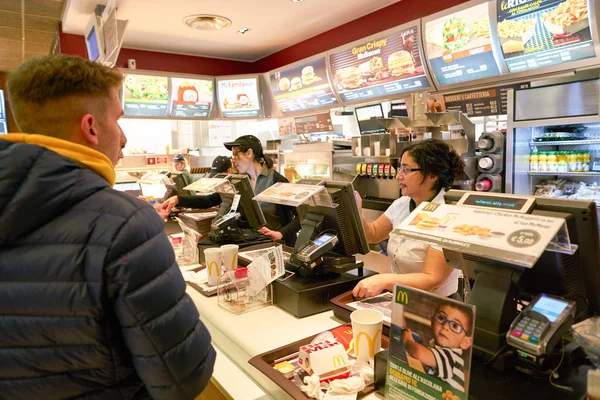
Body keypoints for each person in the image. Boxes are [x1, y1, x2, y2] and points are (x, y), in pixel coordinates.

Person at [0, 55, 215, 399]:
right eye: (118, 119)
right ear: (91, 128)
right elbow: (182, 377)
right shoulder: (125, 223)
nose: (124, 136)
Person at [352, 139, 464, 299]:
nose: (398, 176)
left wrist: (384, 280)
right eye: (399, 169)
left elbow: (432, 279)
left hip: (437, 305)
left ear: (432, 175)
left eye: (406, 170)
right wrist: (357, 213)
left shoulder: (448, 215)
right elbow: (374, 234)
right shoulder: (403, 203)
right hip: (403, 298)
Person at [224, 135, 300, 246]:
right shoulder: (242, 182)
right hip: (253, 244)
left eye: (236, 154)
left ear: (249, 153)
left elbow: (302, 216)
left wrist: (280, 233)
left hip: (278, 246)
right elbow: (211, 200)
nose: (233, 160)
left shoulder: (277, 180)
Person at [402, 303, 473, 392]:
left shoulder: (451, 357)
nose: (445, 326)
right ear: (432, 321)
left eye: (455, 326)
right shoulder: (435, 349)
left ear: (465, 342)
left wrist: (408, 341)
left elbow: (419, 353)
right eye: (441, 318)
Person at [158, 155, 233, 218]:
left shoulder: (236, 188)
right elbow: (209, 200)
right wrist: (178, 199)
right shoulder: (223, 191)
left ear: (229, 171)